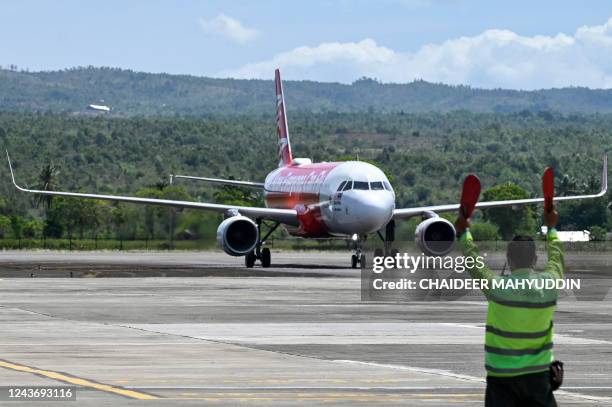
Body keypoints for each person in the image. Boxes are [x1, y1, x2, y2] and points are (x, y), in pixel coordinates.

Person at [455, 206, 563, 407]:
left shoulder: (496, 287)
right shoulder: (550, 285)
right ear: (535, 260)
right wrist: (552, 229)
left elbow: (473, 261)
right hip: (538, 377)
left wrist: (464, 232)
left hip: (500, 378)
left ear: (509, 260)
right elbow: (557, 258)